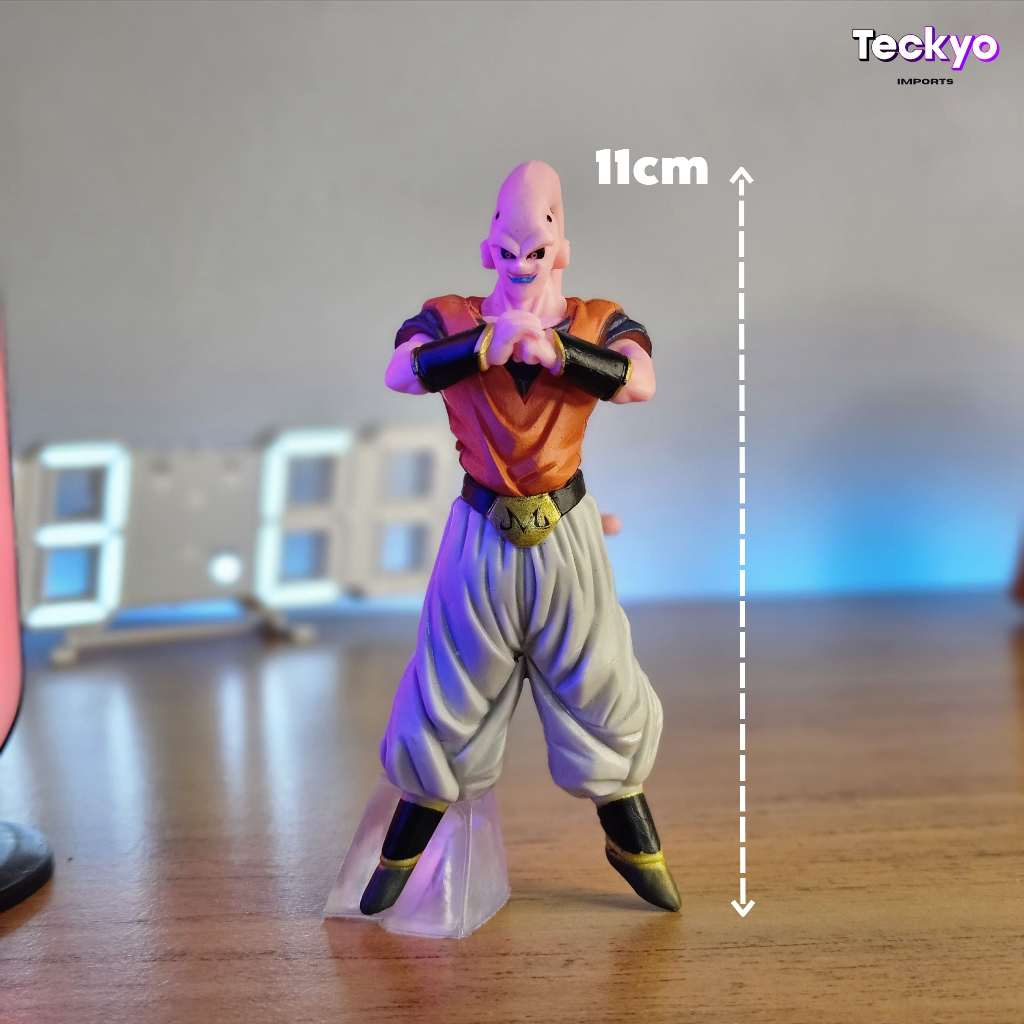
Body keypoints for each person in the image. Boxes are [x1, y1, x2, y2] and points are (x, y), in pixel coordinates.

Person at [360, 161, 680, 915]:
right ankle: (400, 856)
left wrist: (559, 353)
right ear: (488, 251)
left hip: (566, 531)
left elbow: (640, 381)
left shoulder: (598, 320)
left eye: (536, 251)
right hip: (480, 531)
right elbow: (400, 373)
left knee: (601, 683)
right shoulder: (451, 316)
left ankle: (633, 844)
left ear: (561, 249)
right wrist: (485, 345)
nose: (521, 265)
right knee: (449, 691)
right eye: (508, 252)